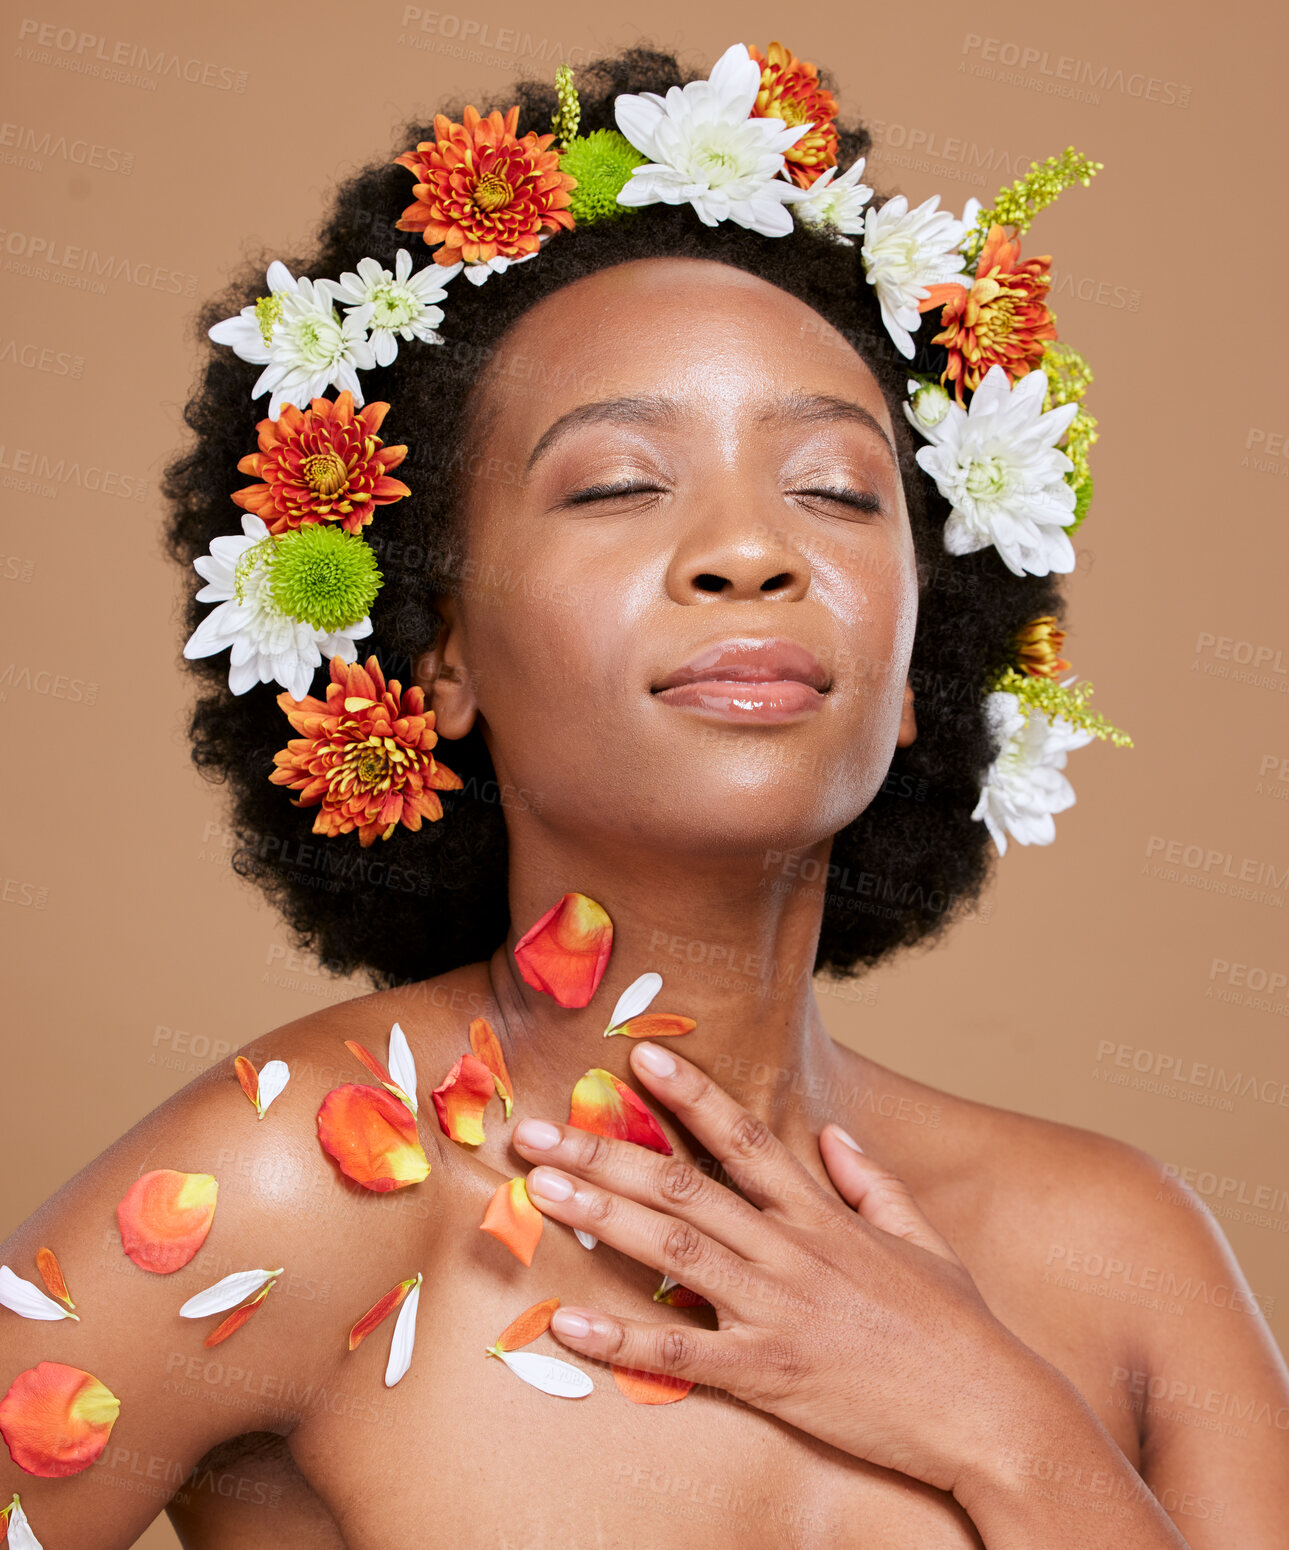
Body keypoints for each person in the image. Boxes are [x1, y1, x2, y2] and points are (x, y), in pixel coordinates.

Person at [2, 41, 1286, 1550]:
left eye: (834, 488)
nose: (748, 550)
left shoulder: (1116, 1252)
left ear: (925, 641)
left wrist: (999, 1425)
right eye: (617, 483)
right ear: (437, 648)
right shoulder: (281, 1189)